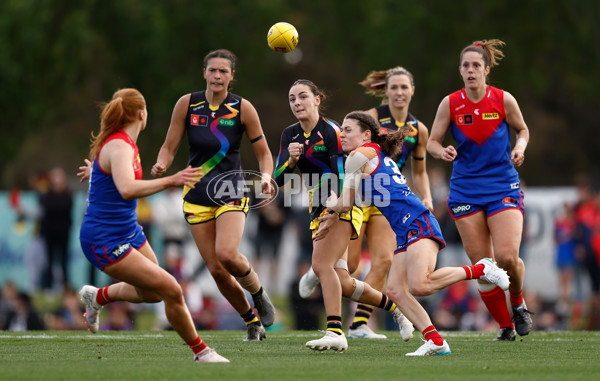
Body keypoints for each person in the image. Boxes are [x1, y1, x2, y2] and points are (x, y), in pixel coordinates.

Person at [322, 111, 510, 356]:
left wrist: (327, 202)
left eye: (348, 130)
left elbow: (344, 203)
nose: (342, 134)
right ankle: (435, 341)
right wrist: (333, 209)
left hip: (417, 221)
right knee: (395, 291)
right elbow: (349, 203)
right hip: (404, 229)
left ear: (366, 134)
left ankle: (482, 269)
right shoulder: (368, 156)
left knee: (421, 285)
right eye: (341, 129)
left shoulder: (357, 156)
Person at [78, 88, 228, 363]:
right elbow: (126, 189)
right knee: (172, 288)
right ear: (141, 114)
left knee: (153, 294)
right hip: (104, 240)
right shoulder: (120, 145)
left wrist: (96, 172)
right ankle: (201, 351)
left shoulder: (124, 144)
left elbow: (112, 174)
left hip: (128, 231)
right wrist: (172, 180)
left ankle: (98, 296)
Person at [274, 79, 412, 353]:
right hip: (318, 208)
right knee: (345, 282)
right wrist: (289, 162)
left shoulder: (333, 132)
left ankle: (335, 331)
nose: (297, 103)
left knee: (322, 265)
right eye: (292, 99)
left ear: (317, 99)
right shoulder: (289, 135)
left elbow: (344, 173)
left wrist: (334, 209)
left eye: (302, 97)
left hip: (344, 205)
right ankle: (397, 311)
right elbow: (279, 179)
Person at [151, 49, 276, 341]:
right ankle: (251, 321)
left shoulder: (243, 108)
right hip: (196, 193)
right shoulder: (187, 104)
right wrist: (162, 164)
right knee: (217, 271)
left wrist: (267, 176)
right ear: (204, 73)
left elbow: (264, 153)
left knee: (227, 254)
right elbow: (169, 146)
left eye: (223, 71)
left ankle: (258, 292)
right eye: (212, 70)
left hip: (231, 189)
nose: (217, 75)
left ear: (232, 76)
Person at [426, 39, 532, 341]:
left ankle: (518, 304)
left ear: (486, 69)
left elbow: (522, 129)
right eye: (465, 66)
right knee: (485, 267)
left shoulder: (503, 99)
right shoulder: (450, 103)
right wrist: (440, 151)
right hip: (465, 190)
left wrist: (520, 146)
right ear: (460, 71)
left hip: (502, 184)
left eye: (476, 65)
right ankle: (505, 326)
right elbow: (432, 141)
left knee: (508, 257)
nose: (470, 70)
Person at [347, 66, 434, 339]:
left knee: (383, 261)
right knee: (349, 266)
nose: (399, 92)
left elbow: (419, 172)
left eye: (403, 87)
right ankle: (320, 270)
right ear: (385, 91)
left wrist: (427, 196)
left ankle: (359, 324)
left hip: (386, 200)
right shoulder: (372, 118)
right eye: (393, 87)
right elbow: (350, 149)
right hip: (360, 194)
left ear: (412, 91)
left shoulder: (418, 129)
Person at [39, 167, 73, 291]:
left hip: (63, 233)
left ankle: (65, 287)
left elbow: (64, 209)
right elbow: (46, 210)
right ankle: (48, 287)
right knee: (49, 260)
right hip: (49, 233)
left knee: (63, 261)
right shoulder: (46, 196)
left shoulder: (68, 195)